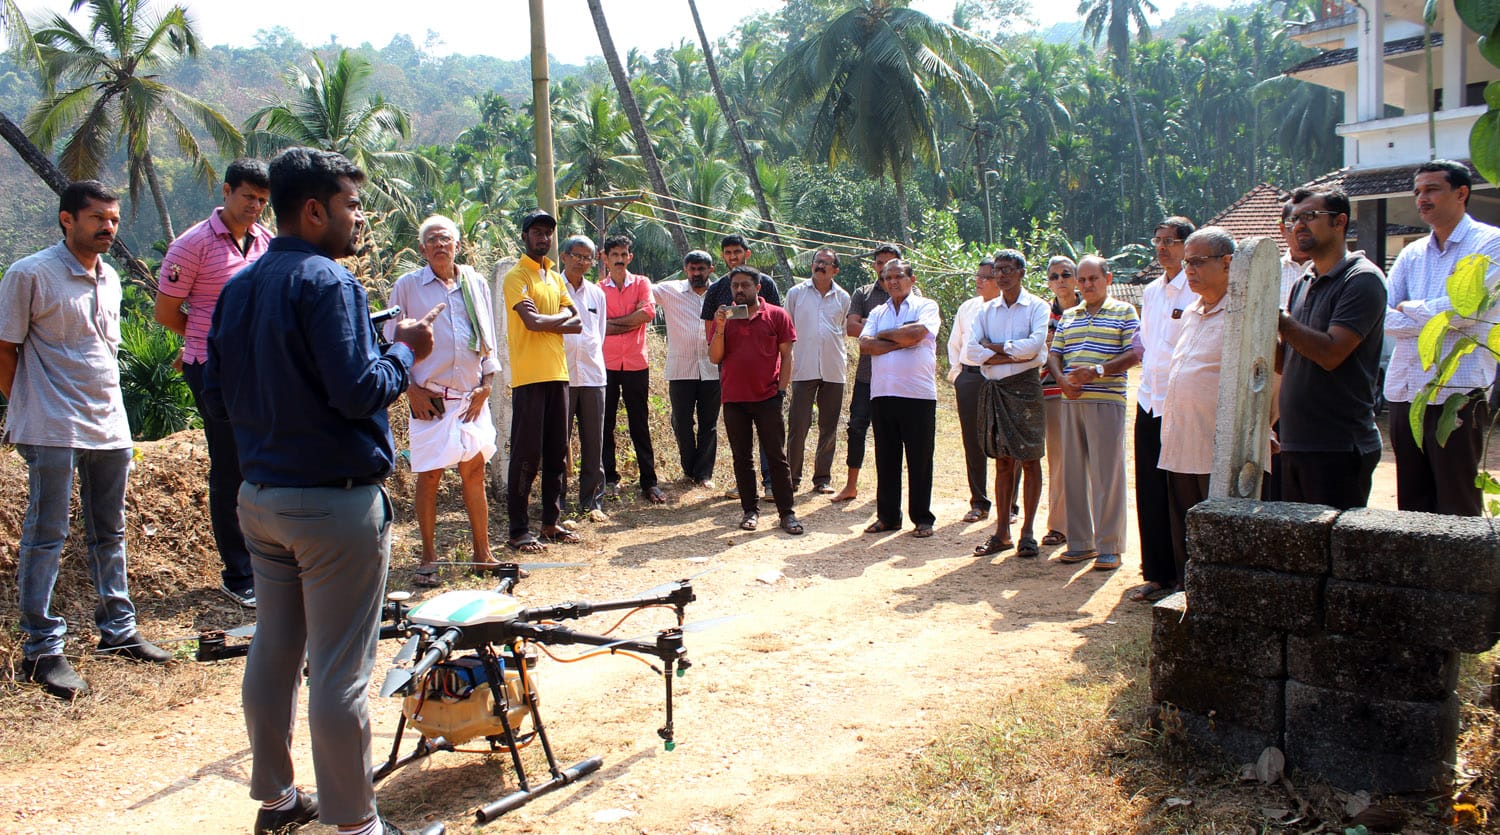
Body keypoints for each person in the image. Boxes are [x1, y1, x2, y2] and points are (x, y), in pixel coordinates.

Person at [203, 147, 443, 835]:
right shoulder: (329, 283)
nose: (358, 217)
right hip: (334, 505)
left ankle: (277, 802)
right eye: (350, 205)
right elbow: (359, 389)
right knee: (339, 670)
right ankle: (357, 822)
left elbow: (216, 397)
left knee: (274, 649)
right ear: (313, 211)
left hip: (261, 498)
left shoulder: (239, 288)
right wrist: (404, 348)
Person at [0, 179, 171, 701]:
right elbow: (5, 349)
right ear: (66, 219)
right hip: (51, 424)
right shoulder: (29, 274)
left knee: (109, 530)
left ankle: (117, 632)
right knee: (46, 533)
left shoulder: (112, 278)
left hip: (108, 423)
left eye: (114, 219)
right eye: (97, 217)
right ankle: (41, 649)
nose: (107, 227)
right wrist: (29, 405)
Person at [153, 158, 271, 608]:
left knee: (259, 461)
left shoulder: (264, 240)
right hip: (212, 369)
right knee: (229, 466)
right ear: (226, 192)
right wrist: (209, 337)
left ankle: (267, 561)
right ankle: (238, 573)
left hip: (259, 367)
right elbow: (166, 312)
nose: (255, 207)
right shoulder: (192, 245)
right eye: (248, 197)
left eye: (262, 200)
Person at [385, 215, 500, 587]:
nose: (439, 245)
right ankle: (428, 557)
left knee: (475, 471)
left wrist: (487, 383)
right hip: (430, 400)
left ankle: (483, 554)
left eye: (445, 239)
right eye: (432, 240)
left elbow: (488, 334)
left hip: (472, 398)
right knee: (430, 476)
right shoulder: (408, 286)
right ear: (422, 249)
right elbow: (390, 341)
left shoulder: (474, 282)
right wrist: (410, 390)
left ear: (458, 245)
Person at [1156, 228, 1270, 601]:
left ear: (1227, 263)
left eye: (1197, 261)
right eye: (1187, 261)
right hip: (1180, 441)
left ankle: (1219, 600)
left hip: (1218, 447)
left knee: (1220, 530)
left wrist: (1264, 425)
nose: (1188, 269)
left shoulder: (1245, 313)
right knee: (1185, 526)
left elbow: (1271, 373)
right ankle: (1187, 595)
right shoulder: (1191, 312)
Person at [1383, 160, 1500, 515]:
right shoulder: (1411, 253)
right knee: (1413, 506)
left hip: (1458, 395)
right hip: (1407, 393)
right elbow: (1383, 317)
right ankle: (1418, 573)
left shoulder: (1490, 243)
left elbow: (1466, 313)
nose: (1422, 198)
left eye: (1431, 189)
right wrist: (1431, 316)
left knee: (1458, 504)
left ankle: (1464, 574)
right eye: (1418, 191)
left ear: (1461, 193)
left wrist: (1409, 308)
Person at [1278, 186, 1387, 509]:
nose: (1298, 225)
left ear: (1340, 222)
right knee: (1300, 554)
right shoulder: (1303, 281)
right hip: (1297, 442)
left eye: (1310, 216)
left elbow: (1330, 353)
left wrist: (1278, 321)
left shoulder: (1362, 279)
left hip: (1337, 447)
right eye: (1294, 219)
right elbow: (1288, 361)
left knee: (1335, 554)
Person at [1046, 255, 1140, 571]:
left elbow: (1135, 353)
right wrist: (1061, 381)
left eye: (1093, 279)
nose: (1087, 285)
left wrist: (1098, 370)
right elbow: (1054, 354)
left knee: (1106, 475)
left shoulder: (1125, 312)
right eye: (1082, 280)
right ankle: (1080, 543)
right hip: (1070, 400)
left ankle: (1109, 546)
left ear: (1107, 279)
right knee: (1072, 473)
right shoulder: (1069, 316)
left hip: (1106, 399)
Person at [501, 209, 583, 553]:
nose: (543, 238)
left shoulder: (554, 277)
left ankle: (551, 521)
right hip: (529, 377)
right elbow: (531, 323)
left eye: (548, 233)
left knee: (556, 453)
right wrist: (560, 318)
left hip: (558, 374)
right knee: (525, 455)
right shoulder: (516, 277)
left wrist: (556, 319)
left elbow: (577, 320)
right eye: (537, 232)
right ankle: (519, 529)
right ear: (525, 236)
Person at [967, 249, 1050, 559]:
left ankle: (1027, 532)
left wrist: (995, 348)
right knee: (1002, 461)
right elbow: (972, 352)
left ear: (1021, 273)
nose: (1001, 275)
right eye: (997, 270)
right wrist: (1012, 352)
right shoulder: (986, 311)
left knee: (1030, 459)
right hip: (996, 388)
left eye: (1007, 270)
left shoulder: (1037, 307)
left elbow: (1035, 347)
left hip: (1026, 389)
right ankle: (1002, 532)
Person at [708, 266, 803, 535]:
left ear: (757, 288)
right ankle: (750, 511)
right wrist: (721, 328)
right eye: (735, 285)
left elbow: (787, 356)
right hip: (734, 398)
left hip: (767, 397)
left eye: (745, 285)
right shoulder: (724, 318)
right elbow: (714, 357)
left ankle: (787, 514)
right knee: (742, 458)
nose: (739, 290)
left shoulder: (776, 315)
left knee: (776, 457)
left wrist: (781, 391)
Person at [1134, 217, 1196, 604]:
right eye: (1157, 241)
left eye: (1170, 241)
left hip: (1183, 403)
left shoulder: (1197, 288)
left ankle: (1185, 575)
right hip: (1148, 399)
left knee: (1182, 491)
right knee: (1150, 490)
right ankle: (1156, 573)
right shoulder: (1152, 292)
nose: (1162, 248)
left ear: (1188, 246)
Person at [859, 259, 942, 537]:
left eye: (898, 276)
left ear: (912, 279)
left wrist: (885, 337)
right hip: (883, 393)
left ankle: (922, 518)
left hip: (917, 394)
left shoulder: (926, 307)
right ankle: (888, 517)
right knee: (886, 458)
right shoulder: (878, 311)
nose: (893, 282)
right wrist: (901, 338)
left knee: (919, 459)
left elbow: (918, 334)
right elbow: (865, 345)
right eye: (887, 278)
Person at [699, 233, 780, 499]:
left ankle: (771, 483)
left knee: (769, 432)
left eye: (737, 252)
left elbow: (777, 325)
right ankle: (744, 484)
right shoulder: (717, 289)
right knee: (739, 434)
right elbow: (710, 330)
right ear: (723, 256)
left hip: (765, 372)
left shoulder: (764, 283)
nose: (732, 257)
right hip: (732, 372)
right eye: (728, 253)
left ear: (748, 253)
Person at [832, 243, 903, 502]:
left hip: (898, 378)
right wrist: (894, 331)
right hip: (867, 375)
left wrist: (871, 327)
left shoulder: (911, 293)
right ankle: (851, 485)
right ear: (874, 266)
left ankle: (889, 488)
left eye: (890, 263)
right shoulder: (862, 293)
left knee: (894, 434)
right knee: (856, 429)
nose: (884, 268)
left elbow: (913, 334)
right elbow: (851, 329)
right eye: (879, 263)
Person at [599, 234, 664, 503]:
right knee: (606, 424)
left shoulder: (641, 283)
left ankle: (649, 481)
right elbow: (596, 325)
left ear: (630, 257)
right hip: (606, 364)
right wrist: (630, 322)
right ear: (605, 258)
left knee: (640, 422)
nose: (619, 259)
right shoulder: (597, 289)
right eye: (614, 254)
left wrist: (613, 325)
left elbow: (647, 314)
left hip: (636, 362)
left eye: (623, 254)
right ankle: (610, 479)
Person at [784, 247, 851, 494]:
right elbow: (786, 331)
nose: (820, 265)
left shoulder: (843, 297)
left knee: (829, 426)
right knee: (798, 425)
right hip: (803, 368)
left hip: (834, 370)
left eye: (826, 263)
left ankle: (822, 478)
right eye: (817, 261)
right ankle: (792, 478)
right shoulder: (796, 294)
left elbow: (843, 331)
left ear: (835, 270)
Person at [656, 250, 721, 488]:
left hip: (712, 368)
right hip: (681, 368)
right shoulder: (669, 290)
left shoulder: (721, 292)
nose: (696, 273)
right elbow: (639, 289)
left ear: (710, 269)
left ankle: (703, 474)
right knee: (681, 421)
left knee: (708, 423)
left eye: (701, 269)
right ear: (686, 270)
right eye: (692, 269)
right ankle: (689, 468)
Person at [560, 234, 610, 521]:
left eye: (587, 257)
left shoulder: (596, 294)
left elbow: (598, 333)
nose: (581, 261)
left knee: (594, 443)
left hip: (592, 375)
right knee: (558, 444)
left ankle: (592, 502)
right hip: (561, 375)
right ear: (564, 256)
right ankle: (557, 503)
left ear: (593, 261)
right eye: (576, 255)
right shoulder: (553, 288)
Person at [947, 257, 999, 523]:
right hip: (969, 379)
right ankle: (979, 502)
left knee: (1005, 440)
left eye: (986, 277)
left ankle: (1009, 505)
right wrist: (958, 375)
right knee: (973, 441)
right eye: (977, 276)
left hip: (1001, 380)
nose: (979, 281)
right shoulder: (968, 307)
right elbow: (955, 344)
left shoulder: (1009, 309)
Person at [1039, 256, 1079, 547]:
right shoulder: (1043, 314)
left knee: (1089, 461)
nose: (1060, 280)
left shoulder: (1090, 308)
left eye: (1066, 274)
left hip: (1090, 394)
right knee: (1059, 461)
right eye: (1054, 276)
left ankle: (1085, 526)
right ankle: (1059, 525)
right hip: (1052, 394)